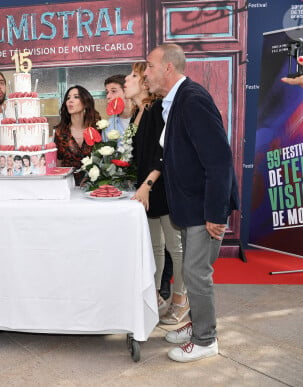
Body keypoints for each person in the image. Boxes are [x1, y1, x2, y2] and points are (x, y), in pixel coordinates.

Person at [144, 44, 239, 363]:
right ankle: (197, 324)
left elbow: (219, 160)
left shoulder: (193, 99)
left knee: (196, 272)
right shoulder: (173, 101)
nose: (145, 73)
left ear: (168, 68)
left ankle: (205, 339)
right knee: (191, 268)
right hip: (191, 206)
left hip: (204, 208)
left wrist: (215, 213)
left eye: (149, 67)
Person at [125, 62, 187, 324]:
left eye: (133, 75)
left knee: (176, 247)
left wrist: (147, 185)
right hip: (145, 189)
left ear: (143, 82)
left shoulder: (157, 110)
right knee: (154, 247)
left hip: (161, 186)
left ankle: (181, 299)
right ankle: (155, 297)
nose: (126, 80)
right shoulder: (136, 113)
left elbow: (162, 153)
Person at [54, 85, 101, 186]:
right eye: (68, 98)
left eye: (76, 97)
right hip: (67, 186)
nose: (70, 101)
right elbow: (57, 163)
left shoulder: (96, 129)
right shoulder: (60, 132)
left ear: (85, 102)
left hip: (93, 186)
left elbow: (103, 160)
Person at [102, 74, 133, 143]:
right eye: (107, 92)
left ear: (127, 91)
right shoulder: (109, 125)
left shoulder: (141, 116)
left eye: (113, 91)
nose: (108, 96)